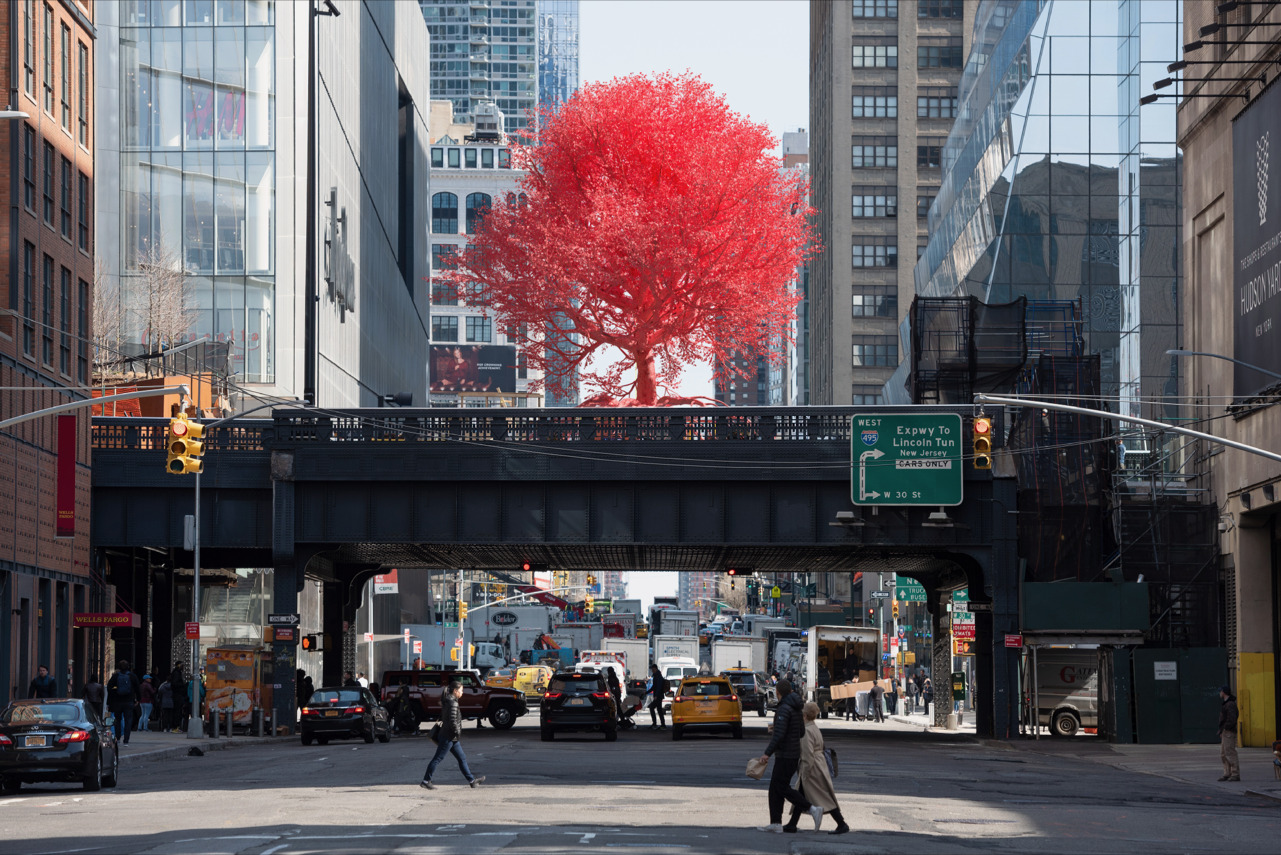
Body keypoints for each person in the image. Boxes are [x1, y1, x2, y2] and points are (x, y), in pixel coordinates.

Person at [755, 679, 813, 834]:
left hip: (785, 755)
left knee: (779, 787)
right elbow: (801, 732)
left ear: (778, 692)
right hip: (793, 754)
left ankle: (810, 808)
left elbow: (779, 735)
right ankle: (776, 823)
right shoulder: (796, 709)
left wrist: (767, 753)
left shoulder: (783, 709)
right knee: (776, 788)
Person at [784, 702, 849, 835]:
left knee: (821, 796)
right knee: (803, 794)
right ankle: (792, 824)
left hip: (812, 767)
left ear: (805, 715)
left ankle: (841, 823)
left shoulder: (806, 731)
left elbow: (807, 753)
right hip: (819, 764)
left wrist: (805, 772)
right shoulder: (814, 727)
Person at [419, 680, 485, 790]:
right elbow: (453, 721)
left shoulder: (448, 700)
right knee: (438, 758)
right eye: (461, 690)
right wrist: (457, 732)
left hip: (450, 736)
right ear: (455, 691)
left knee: (462, 758)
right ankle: (426, 780)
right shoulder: (453, 702)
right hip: (448, 736)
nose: (462, 693)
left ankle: (472, 781)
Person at [106, 660, 139, 745]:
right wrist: (138, 699)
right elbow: (138, 688)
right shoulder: (132, 676)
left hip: (117, 702)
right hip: (129, 701)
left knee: (117, 720)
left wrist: (113, 696)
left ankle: (118, 737)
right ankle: (126, 740)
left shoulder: (116, 676)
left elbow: (109, 687)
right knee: (128, 720)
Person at [1218, 685, 1240, 782]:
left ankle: (1235, 774)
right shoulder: (1227, 704)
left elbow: (1232, 719)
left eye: (1220, 691)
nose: (1220, 693)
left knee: (1230, 752)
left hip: (1229, 732)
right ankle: (1227, 773)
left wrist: (1226, 728)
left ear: (1223, 692)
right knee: (1223, 753)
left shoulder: (1230, 704)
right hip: (1225, 731)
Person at [647, 664, 669, 730]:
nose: (652, 671)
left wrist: (656, 695)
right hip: (658, 696)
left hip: (658, 696)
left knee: (652, 707)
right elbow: (654, 687)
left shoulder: (658, 676)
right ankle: (662, 724)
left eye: (653, 670)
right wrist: (647, 692)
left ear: (656, 669)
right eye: (652, 670)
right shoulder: (656, 676)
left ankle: (656, 724)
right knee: (659, 710)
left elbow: (658, 687)